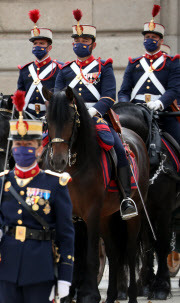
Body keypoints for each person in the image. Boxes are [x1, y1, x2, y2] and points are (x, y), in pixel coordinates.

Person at [0, 102, 75, 303]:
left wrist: (65, 275)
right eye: (18, 145)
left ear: (38, 148)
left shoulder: (55, 184)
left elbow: (66, 234)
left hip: (41, 267)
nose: (22, 149)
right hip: (5, 267)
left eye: (28, 145)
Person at [55, 9, 138, 220]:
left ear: (93, 44)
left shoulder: (104, 67)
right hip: (69, 119)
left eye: (84, 40)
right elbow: (57, 96)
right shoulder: (64, 70)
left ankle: (126, 197)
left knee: (117, 147)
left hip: (96, 116)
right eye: (76, 40)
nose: (79, 43)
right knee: (47, 145)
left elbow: (109, 95)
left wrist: (94, 110)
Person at [118, 4, 180, 146]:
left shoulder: (172, 63)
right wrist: (126, 105)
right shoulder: (134, 63)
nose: (149, 40)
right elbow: (124, 91)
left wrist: (159, 103)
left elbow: (173, 90)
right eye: (147, 37)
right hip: (136, 112)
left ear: (161, 41)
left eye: (153, 37)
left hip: (162, 113)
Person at [17, 9, 61, 118]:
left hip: (50, 116)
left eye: (41, 43)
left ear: (49, 47)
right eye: (35, 43)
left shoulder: (58, 68)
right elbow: (20, 94)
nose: (37, 46)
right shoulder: (25, 70)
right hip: (28, 115)